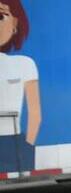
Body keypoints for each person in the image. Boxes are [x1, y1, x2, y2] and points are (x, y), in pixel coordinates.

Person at [0, 0, 41, 175]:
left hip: (12, 141)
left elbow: (35, 113)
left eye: (1, 16)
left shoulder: (24, 65)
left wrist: (27, 148)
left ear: (15, 23)